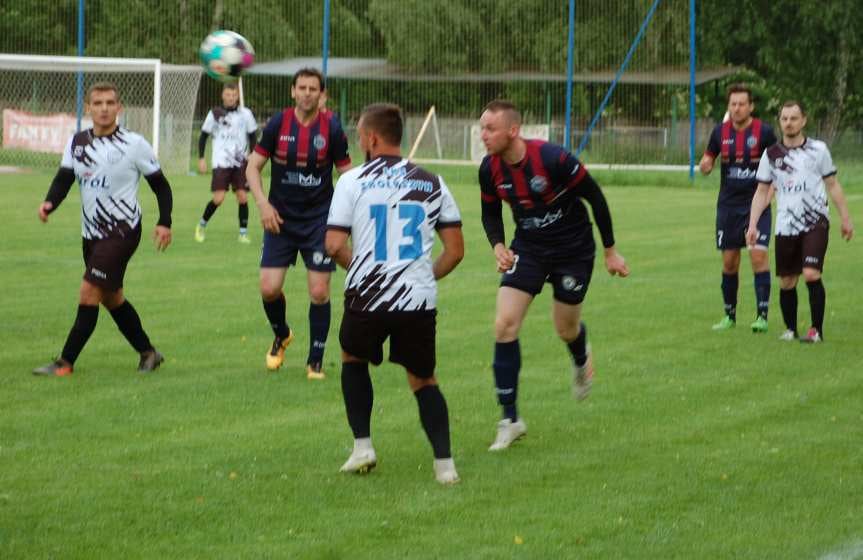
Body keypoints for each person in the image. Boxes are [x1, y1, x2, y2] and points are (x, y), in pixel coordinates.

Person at [325, 103, 464, 485]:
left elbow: (334, 244)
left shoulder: (351, 181)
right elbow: (455, 251)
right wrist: (422, 275)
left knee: (353, 358)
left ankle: (363, 447)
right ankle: (445, 466)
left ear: (371, 138)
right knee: (423, 379)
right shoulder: (433, 182)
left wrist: (363, 268)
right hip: (417, 300)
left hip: (367, 298)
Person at [478, 100, 628, 451]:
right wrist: (498, 245)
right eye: (482, 127)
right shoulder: (490, 169)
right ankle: (510, 418)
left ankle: (580, 358)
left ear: (512, 131)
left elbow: (595, 198)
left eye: (490, 129)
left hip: (573, 252)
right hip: (528, 250)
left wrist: (610, 250)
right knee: (504, 324)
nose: (483, 135)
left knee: (565, 328)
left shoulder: (553, 159)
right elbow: (490, 212)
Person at [33, 82, 173, 376]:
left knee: (88, 292)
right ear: (88, 108)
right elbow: (64, 178)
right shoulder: (77, 143)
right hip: (91, 235)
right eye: (98, 103)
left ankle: (65, 362)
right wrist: (49, 204)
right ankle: (149, 353)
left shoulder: (134, 144)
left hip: (122, 232)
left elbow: (160, 185)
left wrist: (165, 222)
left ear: (119, 108)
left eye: (110, 103)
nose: (104, 108)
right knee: (112, 298)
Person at [246, 67, 352, 379]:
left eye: (313, 88)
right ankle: (281, 334)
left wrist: (348, 216)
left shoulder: (331, 127)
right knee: (268, 288)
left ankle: (315, 361)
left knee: (319, 291)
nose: (307, 93)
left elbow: (346, 174)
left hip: (319, 220)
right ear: (293, 91)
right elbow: (253, 167)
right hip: (279, 219)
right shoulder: (279, 123)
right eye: (301, 87)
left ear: (322, 94)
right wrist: (263, 204)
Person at [748, 100, 853, 343]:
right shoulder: (771, 155)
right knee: (787, 281)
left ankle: (816, 330)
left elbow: (832, 185)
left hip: (815, 221)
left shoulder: (818, 150)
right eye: (784, 118)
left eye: (794, 118)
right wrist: (753, 224)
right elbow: (762, 191)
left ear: (803, 120)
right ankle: (791, 329)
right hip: (786, 223)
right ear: (780, 121)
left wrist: (845, 218)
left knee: (810, 273)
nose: (789, 123)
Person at [700, 84, 778, 333]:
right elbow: (708, 159)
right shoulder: (718, 132)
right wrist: (705, 164)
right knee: (730, 262)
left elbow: (780, 166)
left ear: (751, 106)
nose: (736, 108)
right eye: (733, 104)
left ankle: (762, 316)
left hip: (758, 204)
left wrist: (770, 196)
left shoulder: (764, 132)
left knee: (758, 255)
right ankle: (729, 316)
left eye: (741, 104)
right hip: (728, 207)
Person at [195, 82, 258, 244]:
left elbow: (252, 136)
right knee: (219, 198)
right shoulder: (214, 113)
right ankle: (201, 225)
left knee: (243, 197)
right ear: (223, 95)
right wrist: (201, 158)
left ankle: (243, 233)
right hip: (221, 161)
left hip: (240, 161)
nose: (231, 98)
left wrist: (253, 155)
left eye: (234, 95)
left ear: (237, 96)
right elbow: (203, 137)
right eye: (228, 95)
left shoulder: (246, 114)